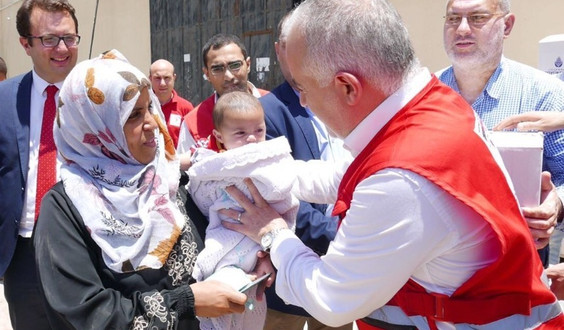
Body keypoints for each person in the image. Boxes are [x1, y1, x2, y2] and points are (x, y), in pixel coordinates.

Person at [220, 0, 564, 328]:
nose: (304, 101)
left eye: (303, 87)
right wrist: (259, 171)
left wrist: (273, 233)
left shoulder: (402, 178)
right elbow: (344, 176)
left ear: (347, 87)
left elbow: (331, 298)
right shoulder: (433, 102)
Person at [33, 49, 248, 329]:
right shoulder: (65, 208)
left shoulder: (171, 179)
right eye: (133, 114)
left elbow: (222, 238)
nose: (152, 123)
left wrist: (256, 258)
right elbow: (85, 312)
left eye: (149, 108)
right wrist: (186, 302)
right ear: (95, 127)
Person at [437, 0, 564, 267]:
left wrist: (555, 204)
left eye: (477, 17)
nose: (461, 29)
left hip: (514, 268)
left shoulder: (544, 94)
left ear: (507, 25)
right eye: (452, 19)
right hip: (434, 266)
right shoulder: (423, 93)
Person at [0, 0, 79, 328]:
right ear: (26, 44)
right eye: (49, 39)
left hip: (86, 246)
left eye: (69, 38)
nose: (62, 48)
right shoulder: (0, 98)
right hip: (24, 250)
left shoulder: (97, 94)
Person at [260, 11, 351, 330]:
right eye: (293, 45)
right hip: (291, 274)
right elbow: (274, 193)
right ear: (279, 50)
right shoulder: (268, 112)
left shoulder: (343, 96)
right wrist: (340, 237)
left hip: (344, 273)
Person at [187, 91, 298, 330]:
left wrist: (271, 250)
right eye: (240, 133)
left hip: (261, 247)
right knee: (223, 294)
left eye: (259, 130)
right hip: (223, 242)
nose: (251, 139)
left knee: (252, 307)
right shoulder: (214, 165)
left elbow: (283, 194)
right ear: (219, 136)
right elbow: (200, 193)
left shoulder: (271, 161)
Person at [176, 33, 268, 155]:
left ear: (248, 64)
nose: (228, 76)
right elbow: (185, 171)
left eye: (235, 65)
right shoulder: (193, 123)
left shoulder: (275, 106)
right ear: (207, 74)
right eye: (217, 69)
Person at [149, 58, 193, 147]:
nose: (162, 83)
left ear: (174, 78)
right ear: (150, 79)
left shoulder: (186, 108)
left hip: (178, 160)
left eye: (166, 78)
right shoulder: (143, 106)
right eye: (157, 78)